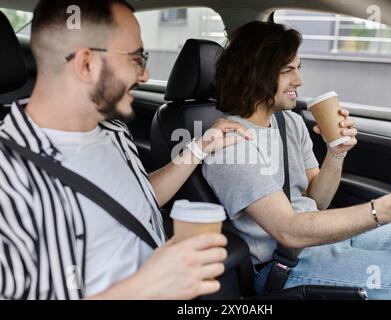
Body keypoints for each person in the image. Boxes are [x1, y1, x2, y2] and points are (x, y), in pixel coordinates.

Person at [0, 0, 252, 300]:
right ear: (86, 64)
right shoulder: (9, 176)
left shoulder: (114, 131)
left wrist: (200, 148)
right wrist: (147, 286)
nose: (144, 75)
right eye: (136, 58)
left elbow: (140, 198)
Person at [202, 21, 391, 300]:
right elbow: (289, 231)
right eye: (287, 71)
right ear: (254, 74)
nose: (299, 80)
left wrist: (336, 152)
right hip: (287, 264)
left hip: (324, 238)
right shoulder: (229, 144)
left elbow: (317, 202)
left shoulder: (289, 122)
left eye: (298, 67)